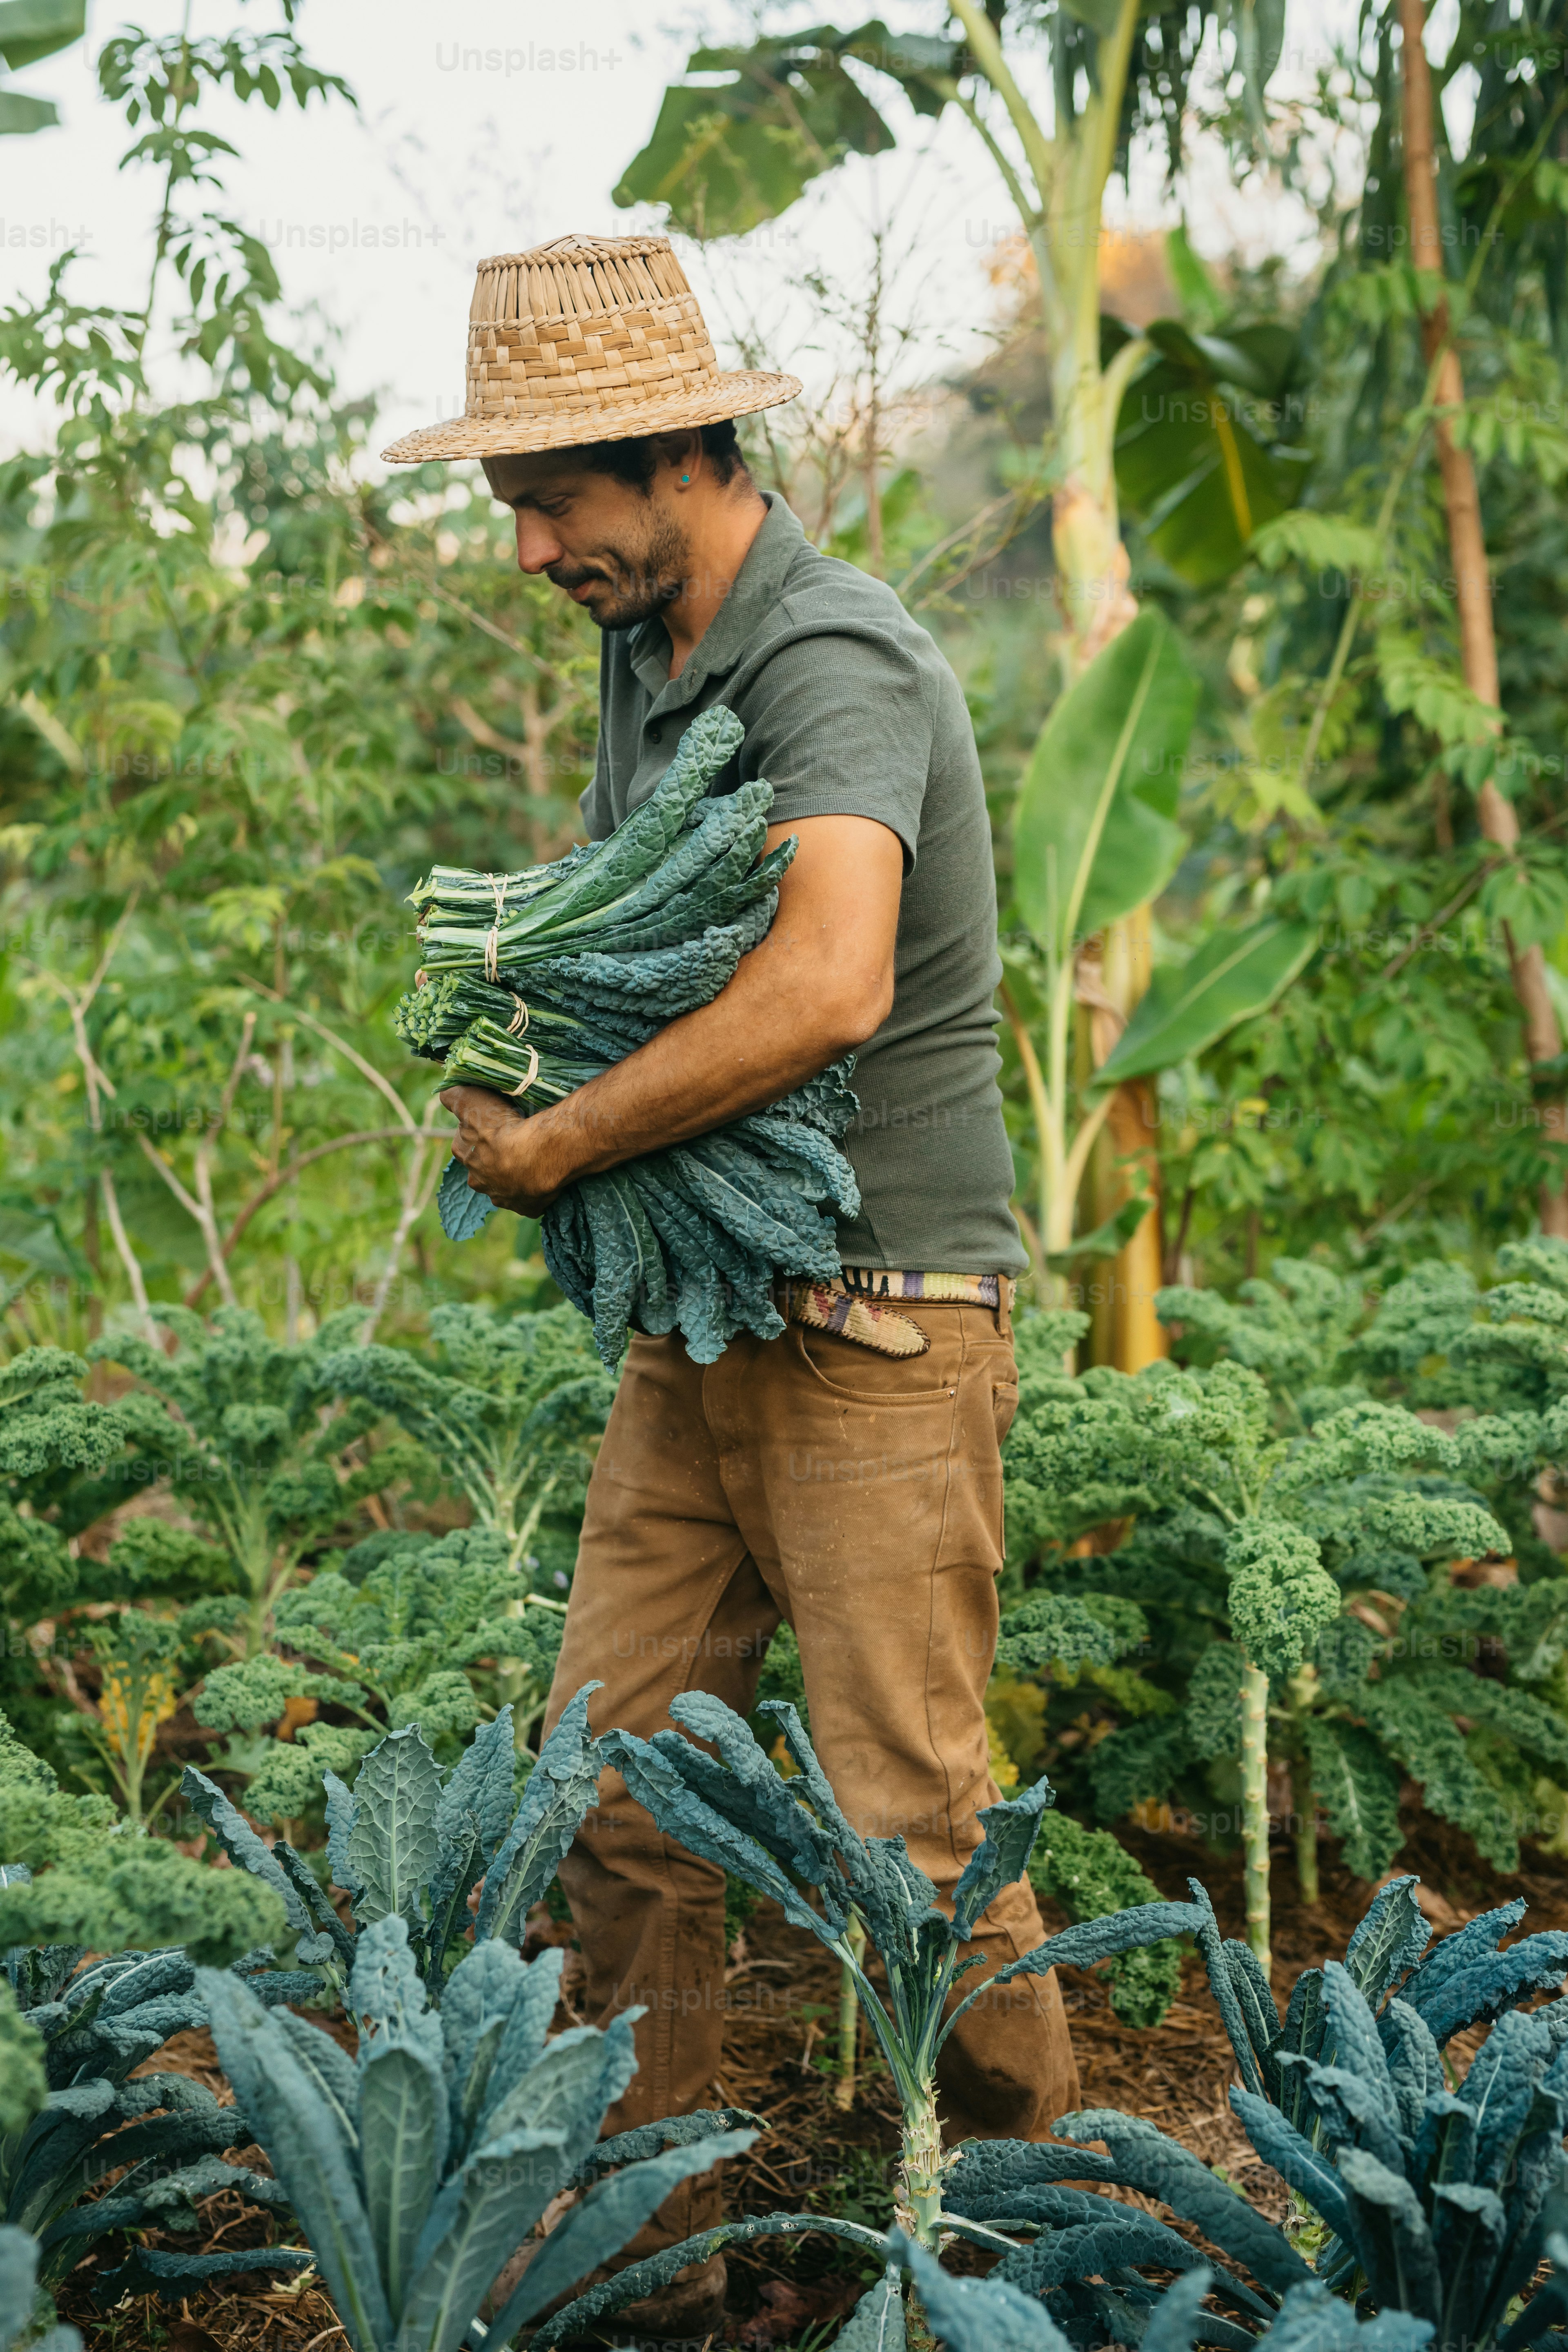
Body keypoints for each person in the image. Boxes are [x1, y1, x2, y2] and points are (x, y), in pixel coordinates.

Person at [383, 231, 1080, 2346]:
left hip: (876, 1321)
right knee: (611, 1789)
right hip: (715, 1318)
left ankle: (1065, 2230)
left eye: (550, 500)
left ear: (682, 452)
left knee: (913, 1827)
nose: (525, 549)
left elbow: (829, 976)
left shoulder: (829, 658)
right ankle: (649, 2250)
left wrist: (572, 1137)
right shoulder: (652, 643)